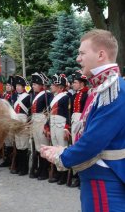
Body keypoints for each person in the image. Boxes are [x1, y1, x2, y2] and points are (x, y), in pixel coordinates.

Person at [41, 29, 125, 211]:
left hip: (105, 178)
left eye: (82, 53)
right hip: (98, 175)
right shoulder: (102, 88)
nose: (78, 58)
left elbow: (94, 141)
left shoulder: (112, 89)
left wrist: (62, 155)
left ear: (101, 54)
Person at [47, 74, 71, 185]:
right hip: (53, 124)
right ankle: (58, 171)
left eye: (54, 85)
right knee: (55, 148)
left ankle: (64, 174)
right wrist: (47, 126)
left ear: (60, 87)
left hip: (61, 125)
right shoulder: (53, 97)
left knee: (62, 148)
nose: (51, 86)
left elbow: (68, 113)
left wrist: (67, 127)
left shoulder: (66, 97)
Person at [29, 72, 53, 180]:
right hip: (35, 120)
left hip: (42, 121)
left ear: (40, 85)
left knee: (44, 146)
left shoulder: (47, 94)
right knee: (38, 146)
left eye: (35, 84)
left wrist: (47, 126)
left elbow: (50, 111)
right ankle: (40, 167)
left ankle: (45, 170)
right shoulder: (35, 95)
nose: (33, 86)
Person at [9, 75, 31, 176]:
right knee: (18, 143)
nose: (18, 87)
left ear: (23, 87)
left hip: (23, 120)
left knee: (24, 144)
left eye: (20, 85)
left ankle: (24, 168)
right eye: (17, 85)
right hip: (15, 119)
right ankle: (18, 166)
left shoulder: (28, 96)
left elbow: (29, 111)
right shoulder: (13, 96)